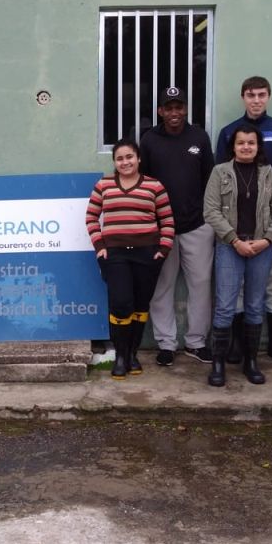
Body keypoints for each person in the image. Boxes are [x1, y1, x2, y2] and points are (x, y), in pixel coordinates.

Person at [215, 76, 272, 366]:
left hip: (270, 225)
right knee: (235, 287)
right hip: (235, 227)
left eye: (262, 94)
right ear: (243, 97)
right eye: (251, 95)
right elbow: (221, 177)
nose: (256, 100)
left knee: (271, 283)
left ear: (268, 96)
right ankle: (237, 345)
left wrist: (269, 211)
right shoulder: (228, 132)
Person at [203, 125, 272, 387]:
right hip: (230, 247)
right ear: (233, 146)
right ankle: (218, 364)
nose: (246, 147)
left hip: (262, 247)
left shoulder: (270, 174)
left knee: (254, 305)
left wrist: (267, 240)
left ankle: (251, 362)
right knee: (225, 306)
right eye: (241, 143)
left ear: (258, 146)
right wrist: (235, 240)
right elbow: (210, 211)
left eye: (251, 143)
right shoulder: (220, 172)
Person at [86, 139, 175, 379]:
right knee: (121, 304)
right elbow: (92, 217)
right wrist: (100, 247)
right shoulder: (104, 185)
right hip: (115, 255)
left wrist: (163, 249)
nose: (125, 162)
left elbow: (167, 220)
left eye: (129, 157)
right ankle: (121, 356)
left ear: (138, 159)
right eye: (120, 158)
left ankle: (133, 354)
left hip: (147, 254)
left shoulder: (154, 186)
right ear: (114, 162)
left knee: (140, 305)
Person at [139, 86, 214, 367]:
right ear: (160, 111)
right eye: (168, 108)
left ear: (186, 109)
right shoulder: (149, 139)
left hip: (197, 225)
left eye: (179, 107)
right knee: (162, 287)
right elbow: (144, 183)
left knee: (201, 286)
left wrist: (208, 216)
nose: (174, 113)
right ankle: (166, 344)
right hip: (161, 229)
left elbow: (210, 179)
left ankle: (196, 342)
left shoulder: (199, 137)